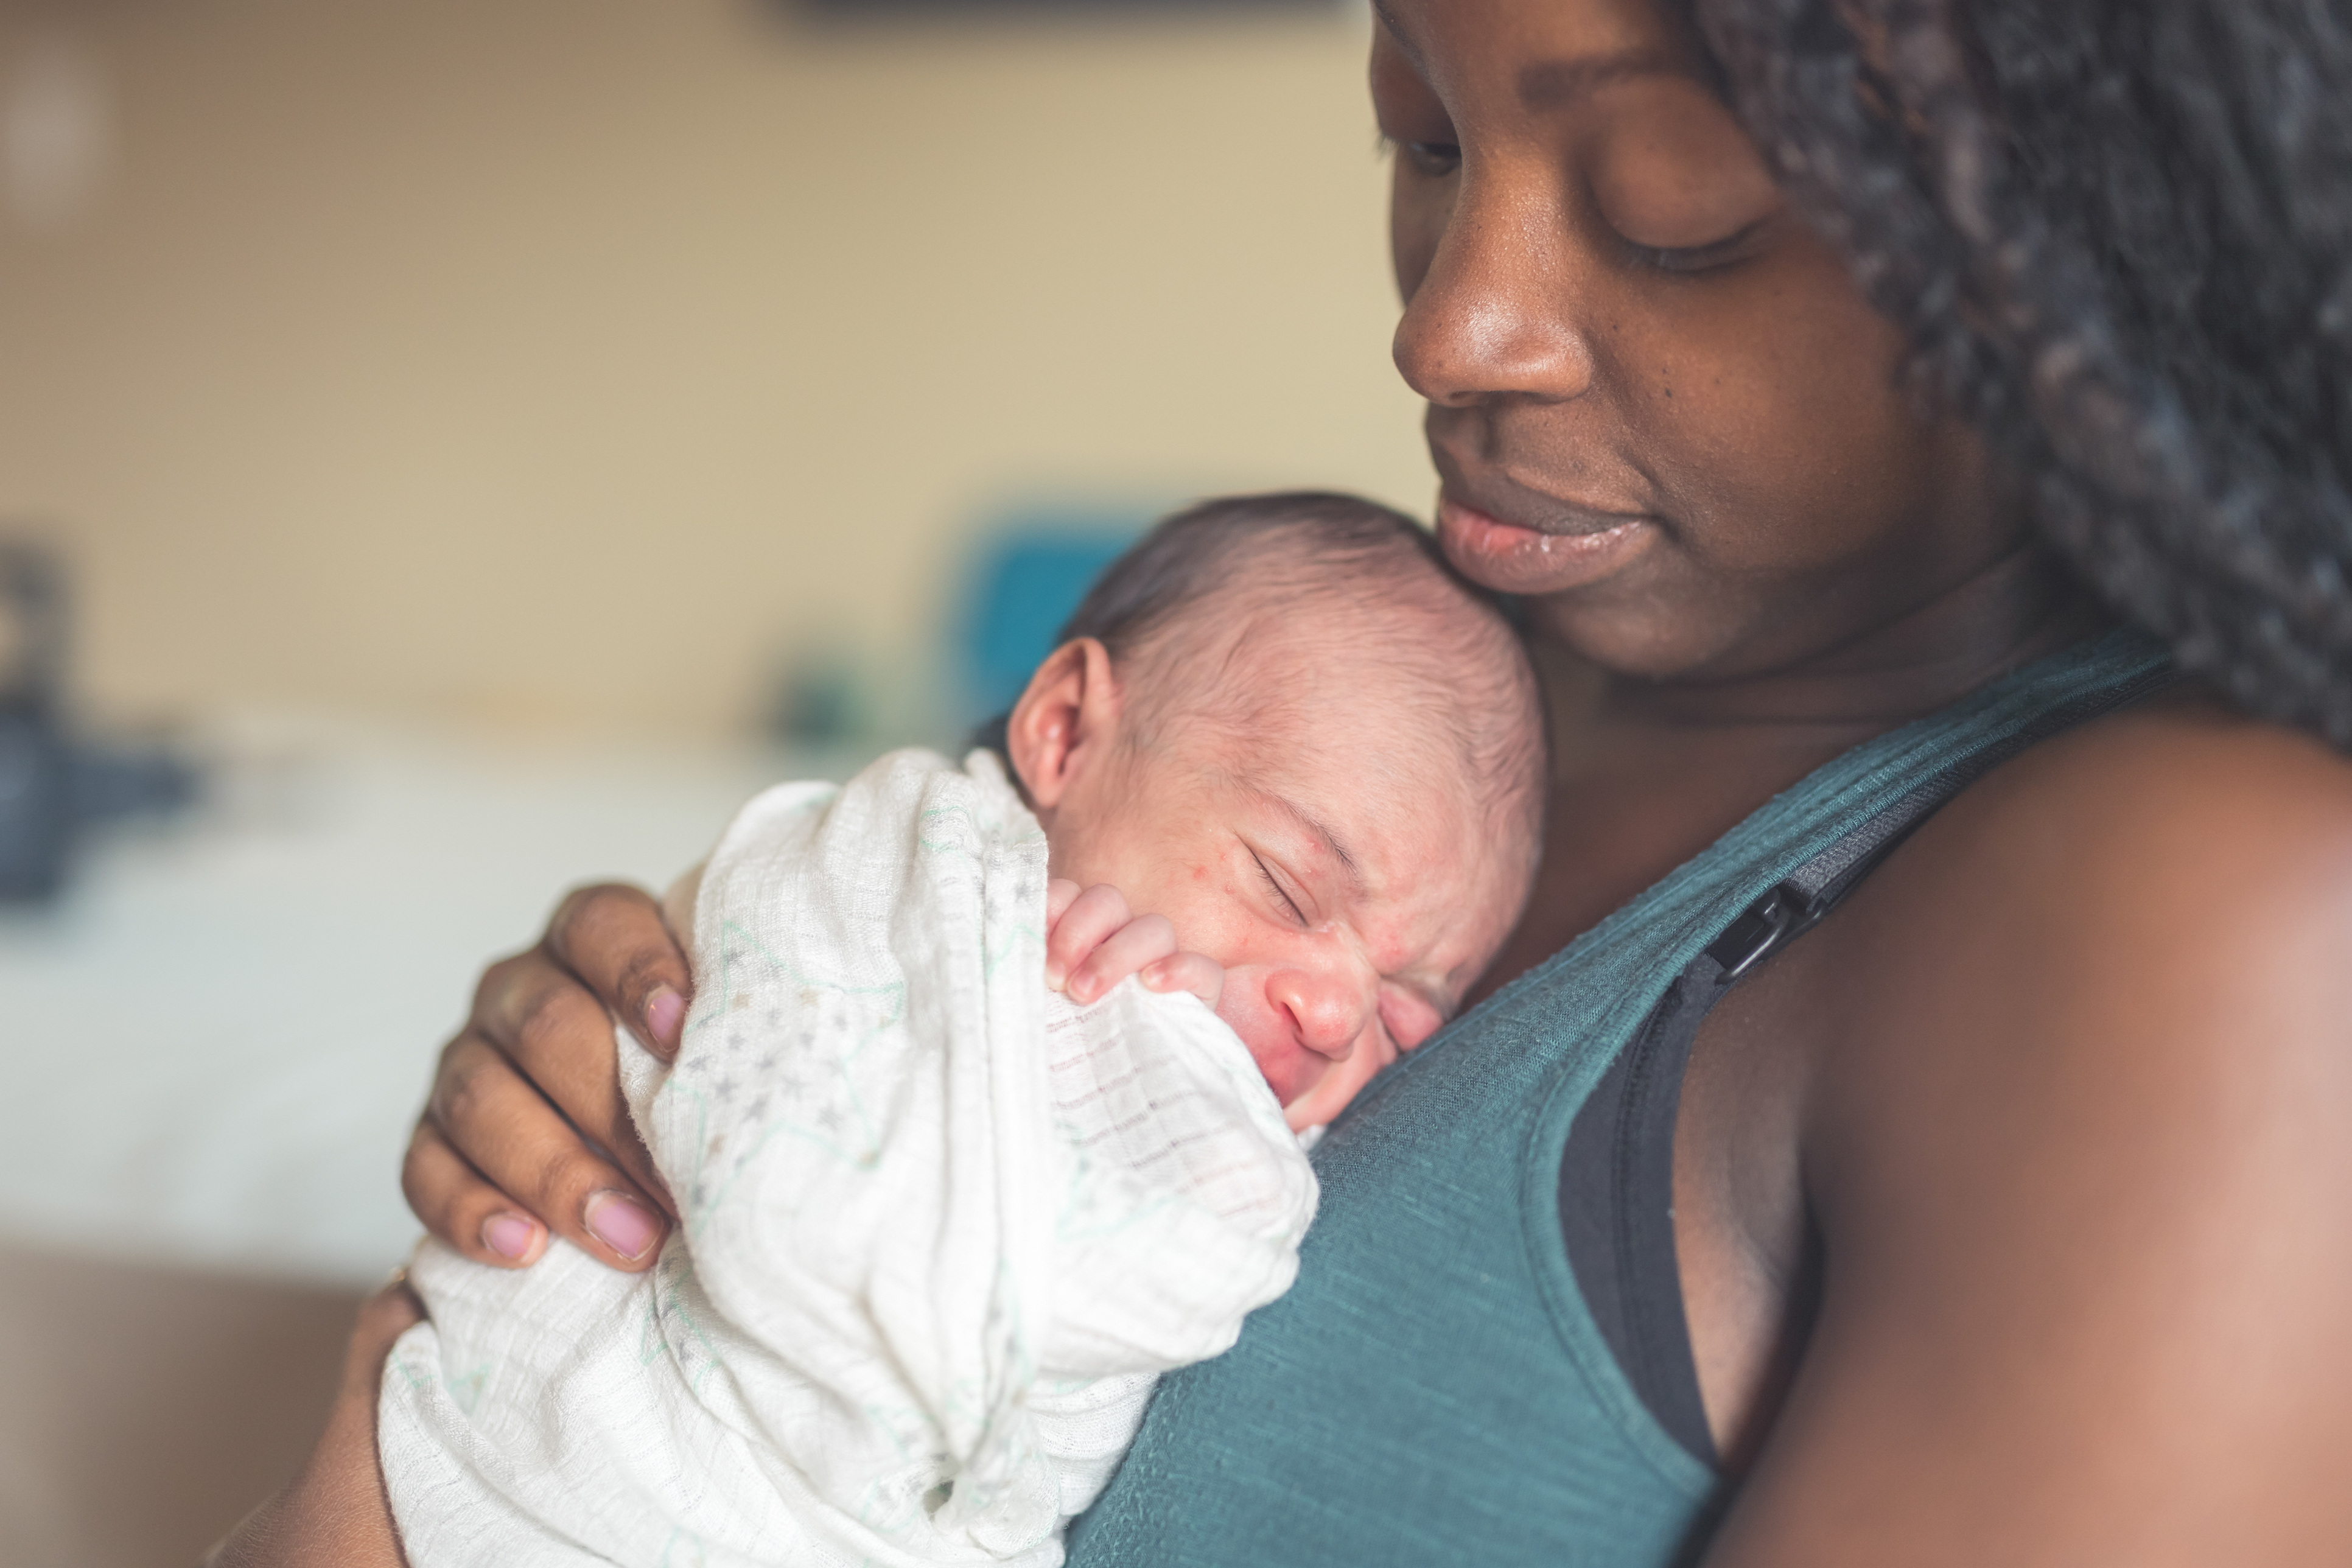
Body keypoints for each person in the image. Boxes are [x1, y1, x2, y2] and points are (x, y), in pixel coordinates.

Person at [213, 1, 2352, 1563]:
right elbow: (902, 1011)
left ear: (2077, 220)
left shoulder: (2215, 923)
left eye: (1676, 204)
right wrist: (607, 1067)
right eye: (1418, 138)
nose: (1454, 329)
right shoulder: (1397, 682)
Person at [374, 494, 1542, 1567]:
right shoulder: (910, 864)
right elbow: (796, 1220)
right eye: (1287, 888)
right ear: (1067, 733)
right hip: (552, 1469)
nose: (1337, 1016)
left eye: (1409, 1011)